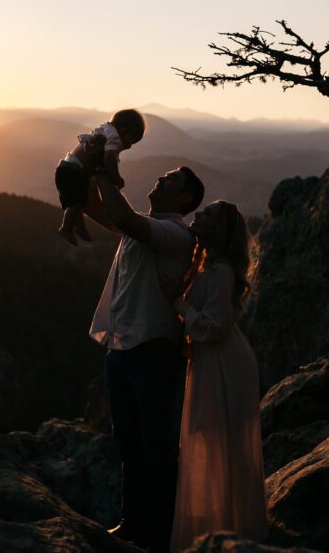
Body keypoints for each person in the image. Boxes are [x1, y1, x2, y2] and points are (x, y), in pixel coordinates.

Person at [83, 157, 205, 552]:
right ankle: (133, 523)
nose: (160, 178)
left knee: (155, 446)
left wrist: (103, 173)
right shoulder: (146, 228)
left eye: (170, 179)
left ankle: (161, 532)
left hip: (153, 351)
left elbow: (125, 218)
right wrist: (82, 164)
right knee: (129, 444)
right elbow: (102, 210)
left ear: (184, 197)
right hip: (122, 348)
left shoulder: (174, 234)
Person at [166, 201, 268, 550]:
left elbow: (216, 327)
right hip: (214, 360)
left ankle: (226, 529)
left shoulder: (221, 271)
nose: (197, 216)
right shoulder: (211, 268)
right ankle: (218, 526)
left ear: (220, 229)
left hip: (223, 362)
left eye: (207, 215)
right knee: (212, 441)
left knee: (216, 441)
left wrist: (179, 305)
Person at [55, 109, 146, 245]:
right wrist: (116, 178)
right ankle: (66, 228)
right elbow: (109, 158)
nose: (129, 146)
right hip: (74, 172)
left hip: (68, 167)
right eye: (131, 142)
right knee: (78, 203)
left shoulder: (106, 130)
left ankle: (79, 226)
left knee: (78, 202)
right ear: (124, 132)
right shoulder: (115, 139)